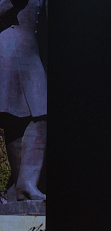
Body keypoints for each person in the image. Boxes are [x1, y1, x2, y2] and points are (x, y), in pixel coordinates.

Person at [0, 0, 47, 204]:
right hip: (11, 49)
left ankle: (21, 187)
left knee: (27, 115)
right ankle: (25, 185)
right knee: (36, 114)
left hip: (31, 51)